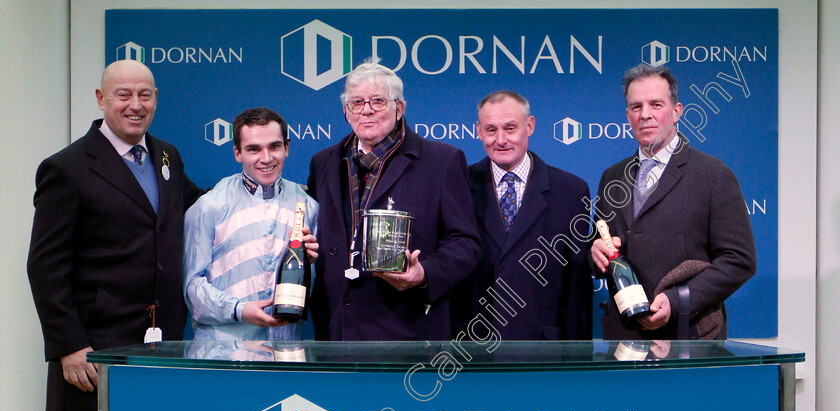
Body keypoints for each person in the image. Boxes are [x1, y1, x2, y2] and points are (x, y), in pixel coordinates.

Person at [26, 59, 203, 411]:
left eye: (145, 95)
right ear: (100, 100)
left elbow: (196, 211)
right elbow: (45, 267)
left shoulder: (167, 156)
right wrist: (68, 346)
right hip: (93, 357)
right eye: (123, 95)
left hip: (160, 354)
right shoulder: (68, 167)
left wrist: (266, 210)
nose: (135, 105)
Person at [307, 60, 481, 340]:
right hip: (335, 329)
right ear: (346, 112)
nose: (367, 110)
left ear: (399, 108)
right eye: (357, 102)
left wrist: (424, 273)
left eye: (378, 101)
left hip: (406, 327)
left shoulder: (441, 161)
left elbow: (466, 243)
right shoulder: (324, 163)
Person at [590, 63, 756, 339]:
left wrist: (678, 301)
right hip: (624, 339)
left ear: (677, 112)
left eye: (656, 104)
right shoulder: (612, 177)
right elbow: (600, 249)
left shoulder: (714, 175)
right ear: (627, 116)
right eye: (636, 107)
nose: (645, 115)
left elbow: (740, 260)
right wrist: (595, 256)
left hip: (687, 337)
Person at [452, 90, 592, 340]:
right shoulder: (457, 185)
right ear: (478, 131)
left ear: (530, 126)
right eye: (491, 130)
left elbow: (577, 286)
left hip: (542, 349)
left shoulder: (571, 191)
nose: (501, 139)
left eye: (510, 128)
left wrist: (577, 355)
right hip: (472, 348)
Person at [184, 107, 319, 340]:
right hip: (223, 357)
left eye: (274, 146)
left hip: (284, 355)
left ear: (287, 148)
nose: (266, 158)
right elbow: (192, 288)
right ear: (238, 153)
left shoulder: (307, 206)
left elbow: (309, 290)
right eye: (254, 149)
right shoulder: (209, 207)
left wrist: (309, 266)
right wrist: (240, 310)